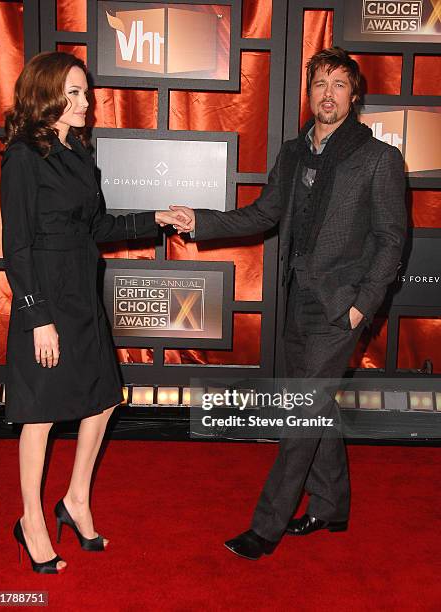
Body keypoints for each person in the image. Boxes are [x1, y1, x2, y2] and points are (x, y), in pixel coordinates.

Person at [168, 47, 407, 560]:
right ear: (309, 92)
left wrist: (363, 305)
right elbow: (262, 214)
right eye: (320, 83)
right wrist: (200, 222)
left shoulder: (379, 159)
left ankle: (266, 526)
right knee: (314, 408)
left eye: (339, 84)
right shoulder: (293, 153)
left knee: (299, 414)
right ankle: (330, 505)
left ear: (354, 95)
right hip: (298, 300)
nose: (328, 93)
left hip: (341, 308)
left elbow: (391, 241)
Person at [1, 51, 188, 573]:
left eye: (86, 92)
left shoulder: (80, 155)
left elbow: (97, 228)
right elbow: (15, 247)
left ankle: (76, 498)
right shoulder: (21, 157)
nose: (87, 102)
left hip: (84, 294)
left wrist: (155, 218)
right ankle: (31, 521)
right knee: (39, 417)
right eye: (76, 93)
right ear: (47, 95)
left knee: (104, 399)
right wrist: (38, 317)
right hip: (46, 299)